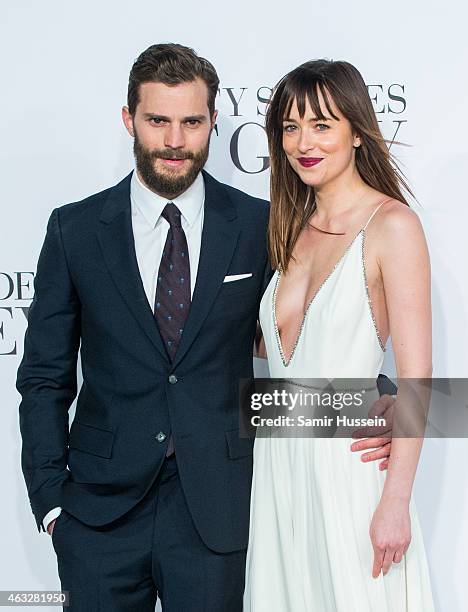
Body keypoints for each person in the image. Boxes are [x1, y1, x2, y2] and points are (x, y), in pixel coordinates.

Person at [17, 44, 393, 611]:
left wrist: (383, 400)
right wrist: (51, 504)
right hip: (97, 519)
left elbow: (308, 336)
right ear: (129, 120)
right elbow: (44, 378)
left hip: (218, 513)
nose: (174, 140)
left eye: (191, 121)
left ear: (213, 123)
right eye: (157, 121)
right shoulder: (74, 230)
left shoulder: (259, 225)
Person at [244, 60, 434, 611]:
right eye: (290, 126)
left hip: (349, 478)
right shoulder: (288, 228)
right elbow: (279, 351)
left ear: (356, 131)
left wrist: (395, 501)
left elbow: (419, 378)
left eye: (322, 124)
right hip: (279, 477)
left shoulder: (392, 226)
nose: (304, 142)